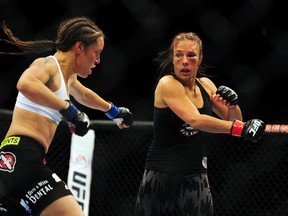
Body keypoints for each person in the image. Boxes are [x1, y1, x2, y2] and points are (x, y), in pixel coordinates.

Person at [0, 16, 133, 216]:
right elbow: (25, 84)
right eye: (96, 53)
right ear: (79, 47)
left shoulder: (67, 77)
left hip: (17, 159)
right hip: (22, 157)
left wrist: (113, 111)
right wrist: (68, 110)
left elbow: (85, 94)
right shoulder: (47, 65)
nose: (98, 61)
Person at [134, 32, 265, 216]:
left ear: (200, 58)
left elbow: (233, 122)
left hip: (196, 175)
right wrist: (241, 128)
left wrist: (233, 106)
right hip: (161, 174)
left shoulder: (207, 85)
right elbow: (195, 120)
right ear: (172, 58)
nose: (185, 61)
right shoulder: (167, 84)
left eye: (191, 55)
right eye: (179, 55)